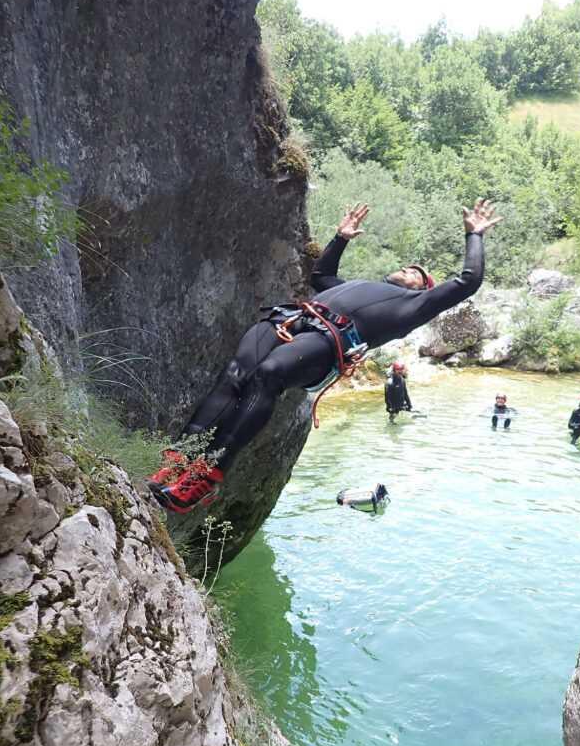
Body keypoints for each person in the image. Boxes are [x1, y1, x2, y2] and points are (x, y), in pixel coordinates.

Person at [148, 198, 502, 512]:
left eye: (417, 275)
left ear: (424, 291)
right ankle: (179, 457)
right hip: (291, 318)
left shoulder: (414, 307)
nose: (410, 271)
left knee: (268, 374)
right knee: (237, 373)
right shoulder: (356, 286)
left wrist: (474, 235)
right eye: (409, 267)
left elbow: (469, 280)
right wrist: (341, 238)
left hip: (327, 342)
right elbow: (320, 275)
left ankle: (207, 476)